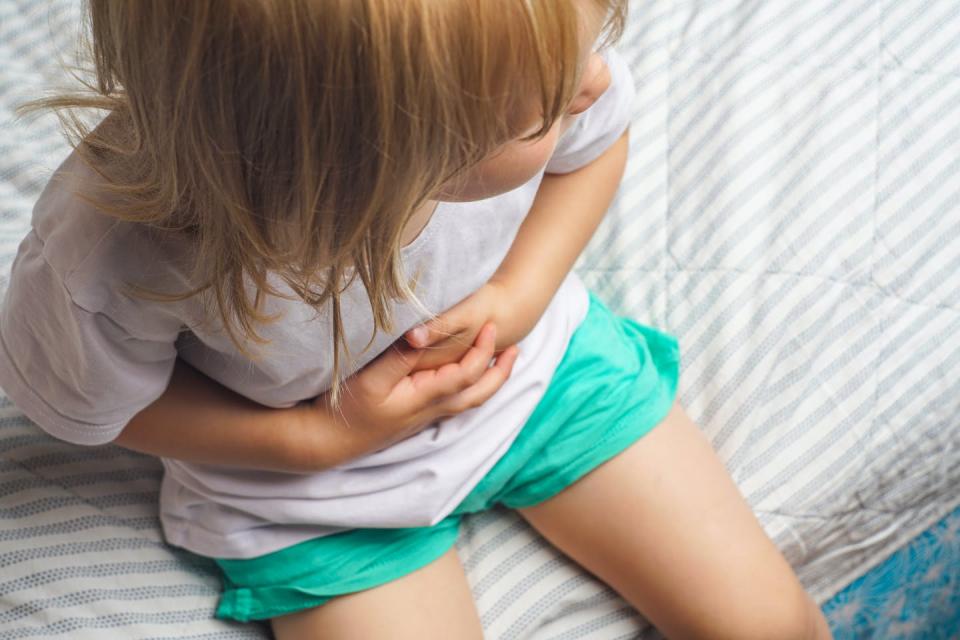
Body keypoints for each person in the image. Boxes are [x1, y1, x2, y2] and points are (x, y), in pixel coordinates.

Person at [0, 1, 832, 638]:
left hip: (533, 376)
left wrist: (522, 292)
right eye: (538, 113)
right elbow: (93, 407)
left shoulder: (528, 52)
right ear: (377, 162)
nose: (596, 84)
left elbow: (595, 149)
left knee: (771, 626)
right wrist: (314, 442)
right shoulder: (112, 250)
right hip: (308, 494)